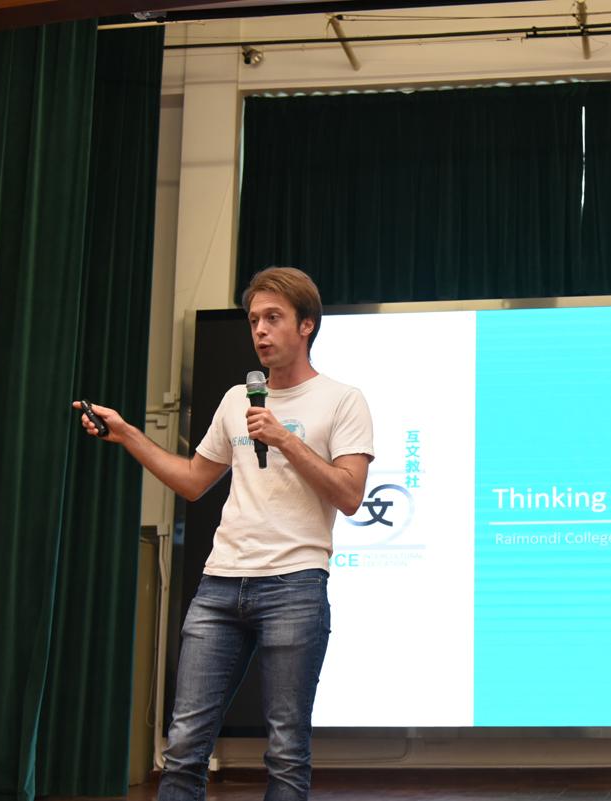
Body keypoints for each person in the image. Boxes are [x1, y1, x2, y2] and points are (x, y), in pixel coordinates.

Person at [76, 266, 374, 801]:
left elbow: (350, 495)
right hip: (219, 586)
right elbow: (194, 481)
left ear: (306, 324)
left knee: (286, 751)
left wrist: (286, 440)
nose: (260, 330)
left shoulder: (341, 399)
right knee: (184, 746)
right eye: (254, 320)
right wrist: (128, 435)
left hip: (294, 585)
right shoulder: (239, 398)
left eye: (273, 318)